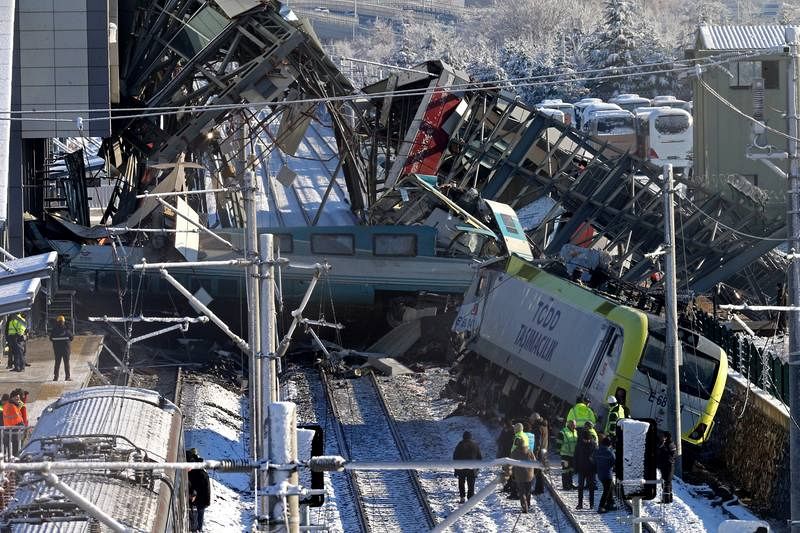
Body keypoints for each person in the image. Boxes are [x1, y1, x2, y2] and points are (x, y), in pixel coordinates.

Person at [452, 431, 482, 503]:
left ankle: (462, 497)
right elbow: (479, 457)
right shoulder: (475, 445)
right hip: (472, 468)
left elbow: (455, 457)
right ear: (470, 437)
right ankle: (470, 499)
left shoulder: (460, 444)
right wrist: (477, 468)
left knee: (461, 482)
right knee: (471, 484)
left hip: (461, 467)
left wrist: (456, 469)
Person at [186, 448, 211, 531]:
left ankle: (196, 528)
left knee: (197, 513)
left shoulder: (196, 473)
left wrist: (192, 494)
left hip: (201, 498)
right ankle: (198, 528)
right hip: (203, 498)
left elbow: (196, 486)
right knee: (199, 513)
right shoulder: (200, 470)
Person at [574, 427, 598, 510]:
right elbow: (576, 456)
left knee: (591, 487)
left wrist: (596, 469)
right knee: (580, 487)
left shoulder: (593, 445)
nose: (586, 441)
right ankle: (580, 504)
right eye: (585, 440)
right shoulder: (579, 444)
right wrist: (576, 468)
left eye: (587, 440)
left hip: (591, 470)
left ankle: (591, 504)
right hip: (581, 469)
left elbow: (596, 457)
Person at [510, 437, 535, 513]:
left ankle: (524, 506)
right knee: (528, 490)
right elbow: (534, 461)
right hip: (529, 474)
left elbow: (511, 463)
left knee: (521, 491)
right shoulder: (529, 451)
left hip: (519, 475)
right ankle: (528, 503)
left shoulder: (514, 452)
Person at [594, 437, 616, 513]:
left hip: (600, 474)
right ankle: (601, 506)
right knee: (606, 490)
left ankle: (610, 503)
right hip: (607, 474)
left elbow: (592, 459)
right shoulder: (609, 452)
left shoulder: (597, 451)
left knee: (610, 487)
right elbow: (614, 463)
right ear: (609, 444)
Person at [50, 315, 74, 381]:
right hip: (66, 349)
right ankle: (67, 377)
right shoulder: (66, 330)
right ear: (63, 322)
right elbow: (72, 338)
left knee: (57, 363)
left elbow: (51, 338)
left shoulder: (54, 330)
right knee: (66, 363)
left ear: (57, 322)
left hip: (57, 350)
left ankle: (56, 377)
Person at [557, 419, 578, 490]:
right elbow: (558, 443)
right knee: (565, 470)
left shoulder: (575, 432)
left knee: (571, 470)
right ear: (569, 424)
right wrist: (559, 452)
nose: (574, 427)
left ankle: (570, 484)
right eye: (573, 425)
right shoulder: (563, 432)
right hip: (565, 455)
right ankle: (565, 486)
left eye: (575, 425)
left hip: (573, 455)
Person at [3, 391, 25, 457]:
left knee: (10, 447)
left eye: (19, 397)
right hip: (14, 428)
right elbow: (16, 417)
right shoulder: (12, 406)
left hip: (10, 428)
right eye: (17, 397)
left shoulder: (12, 405)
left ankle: (11, 457)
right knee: (16, 446)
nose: (18, 399)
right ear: (12, 397)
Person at [657, 431, 677, 504]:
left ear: (666, 437)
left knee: (666, 482)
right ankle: (668, 499)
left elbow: (669, 455)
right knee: (667, 482)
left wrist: (662, 444)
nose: (661, 437)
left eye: (663, 436)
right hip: (667, 465)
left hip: (668, 465)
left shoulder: (669, 444)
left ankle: (666, 500)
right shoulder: (670, 444)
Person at [532, 413, 549, 495]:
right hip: (544, 449)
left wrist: (535, 453)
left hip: (540, 452)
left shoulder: (537, 427)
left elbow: (538, 442)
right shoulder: (544, 426)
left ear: (535, 420)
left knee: (538, 471)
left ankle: (539, 489)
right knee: (540, 471)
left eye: (531, 420)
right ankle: (540, 489)